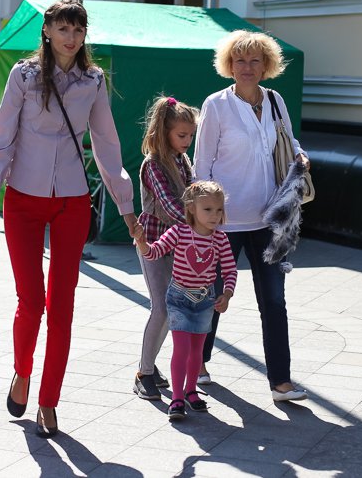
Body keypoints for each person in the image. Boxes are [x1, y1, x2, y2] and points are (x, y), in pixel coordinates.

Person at [0, 0, 138, 437]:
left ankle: (49, 400)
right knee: (31, 302)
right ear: (46, 31)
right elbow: (2, 137)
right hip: (22, 200)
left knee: (62, 306)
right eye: (63, 28)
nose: (71, 37)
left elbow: (107, 144)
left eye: (78, 30)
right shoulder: (23, 76)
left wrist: (126, 206)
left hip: (71, 201)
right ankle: (22, 370)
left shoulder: (94, 80)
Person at [193, 30, 310, 402]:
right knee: (213, 296)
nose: (247, 67)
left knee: (274, 301)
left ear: (266, 65)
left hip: (269, 219)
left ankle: (281, 382)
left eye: (254, 60)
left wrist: (300, 156)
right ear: (229, 65)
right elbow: (201, 163)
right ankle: (198, 363)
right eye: (240, 60)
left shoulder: (275, 100)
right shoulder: (216, 104)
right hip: (224, 221)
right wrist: (202, 217)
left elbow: (289, 142)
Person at [133, 181, 237, 421]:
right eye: (207, 209)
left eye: (219, 210)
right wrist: (142, 242)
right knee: (181, 349)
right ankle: (177, 398)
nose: (214, 215)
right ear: (191, 208)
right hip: (179, 299)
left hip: (205, 302)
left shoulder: (220, 239)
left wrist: (227, 294)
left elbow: (230, 270)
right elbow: (154, 252)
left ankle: (191, 391)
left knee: (197, 351)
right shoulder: (178, 232)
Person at [132, 96, 197, 400]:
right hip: (153, 242)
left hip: (179, 243)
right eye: (182, 135)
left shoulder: (183, 160)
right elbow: (170, 205)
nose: (187, 141)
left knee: (172, 310)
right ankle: (143, 373)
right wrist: (200, 220)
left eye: (191, 136)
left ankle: (150, 363)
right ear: (164, 131)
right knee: (161, 307)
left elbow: (194, 192)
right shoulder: (153, 164)